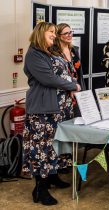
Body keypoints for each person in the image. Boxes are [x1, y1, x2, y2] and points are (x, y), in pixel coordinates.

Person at [22, 22, 81, 206]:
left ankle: (53, 177)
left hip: (59, 109)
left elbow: (64, 73)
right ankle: (40, 188)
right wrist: (72, 86)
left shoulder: (49, 52)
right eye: (51, 32)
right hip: (43, 111)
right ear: (41, 32)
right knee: (41, 148)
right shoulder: (34, 54)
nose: (54, 36)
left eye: (56, 33)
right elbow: (48, 78)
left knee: (56, 145)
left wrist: (70, 82)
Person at [52, 23, 86, 117]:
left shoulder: (74, 50)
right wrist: (71, 87)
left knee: (78, 118)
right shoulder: (54, 52)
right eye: (66, 33)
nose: (70, 35)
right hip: (63, 92)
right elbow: (56, 75)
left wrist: (80, 89)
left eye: (71, 32)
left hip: (77, 90)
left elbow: (79, 73)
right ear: (58, 36)